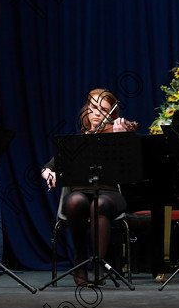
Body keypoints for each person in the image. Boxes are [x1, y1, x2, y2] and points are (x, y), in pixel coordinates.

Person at [41, 88, 131, 286]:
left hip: (110, 195)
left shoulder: (116, 136)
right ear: (86, 110)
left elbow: (129, 171)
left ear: (111, 114)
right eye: (93, 107)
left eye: (104, 109)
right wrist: (49, 173)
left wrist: (120, 139)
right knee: (74, 200)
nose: (97, 113)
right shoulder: (76, 142)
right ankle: (80, 261)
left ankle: (99, 264)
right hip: (81, 193)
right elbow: (48, 167)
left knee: (98, 204)